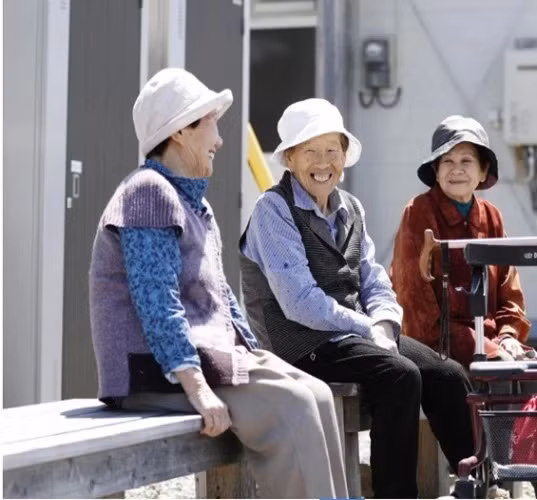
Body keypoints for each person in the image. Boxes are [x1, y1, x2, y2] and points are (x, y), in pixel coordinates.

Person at [88, 68, 347, 499]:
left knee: (317, 393)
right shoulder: (148, 194)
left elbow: (219, 294)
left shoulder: (194, 203)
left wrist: (253, 352)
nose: (220, 139)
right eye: (211, 123)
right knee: (295, 407)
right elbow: (159, 305)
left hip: (199, 359)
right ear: (181, 131)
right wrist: (200, 391)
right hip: (151, 372)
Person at [239, 98, 475, 499]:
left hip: (355, 335)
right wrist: (369, 326)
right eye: (310, 151)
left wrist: (384, 319)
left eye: (332, 150)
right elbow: (300, 303)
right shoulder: (272, 210)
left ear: (345, 157)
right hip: (298, 345)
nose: (323, 161)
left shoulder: (350, 207)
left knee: (448, 375)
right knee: (399, 375)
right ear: (290, 159)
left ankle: (477, 482)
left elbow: (374, 280)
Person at [390, 115, 537, 499]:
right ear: (435, 171)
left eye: (466, 161)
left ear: (483, 171)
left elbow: (511, 293)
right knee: (500, 369)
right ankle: (493, 479)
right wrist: (484, 344)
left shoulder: (492, 217)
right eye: (447, 162)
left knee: (535, 369)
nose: (457, 170)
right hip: (436, 338)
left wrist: (507, 336)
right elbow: (414, 298)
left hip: (490, 338)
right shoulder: (418, 213)